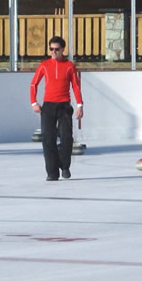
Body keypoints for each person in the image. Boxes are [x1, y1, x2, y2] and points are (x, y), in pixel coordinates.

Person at [30, 36, 84, 181]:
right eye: (51, 49)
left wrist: (80, 105)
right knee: (48, 139)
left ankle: (65, 166)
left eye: (56, 49)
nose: (54, 52)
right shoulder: (44, 65)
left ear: (62, 50)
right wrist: (34, 102)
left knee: (66, 138)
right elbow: (33, 84)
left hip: (64, 106)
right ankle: (52, 172)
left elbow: (76, 86)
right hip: (48, 106)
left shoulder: (69, 66)